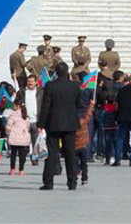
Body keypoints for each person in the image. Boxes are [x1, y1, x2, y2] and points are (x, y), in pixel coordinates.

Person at [38, 62, 81, 190]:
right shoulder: (75, 86)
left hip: (53, 123)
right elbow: (78, 104)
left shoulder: (50, 85)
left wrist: (41, 123)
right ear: (67, 71)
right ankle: (72, 182)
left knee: (52, 153)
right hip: (70, 123)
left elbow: (46, 106)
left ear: (56, 72)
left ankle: (48, 182)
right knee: (70, 153)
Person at [18, 75, 43, 165]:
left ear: (36, 82)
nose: (30, 83)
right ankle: (23, 158)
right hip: (25, 120)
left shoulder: (40, 92)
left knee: (35, 142)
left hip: (36, 120)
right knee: (24, 142)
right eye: (29, 81)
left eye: (32, 81)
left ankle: (35, 158)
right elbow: (17, 104)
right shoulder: (22, 92)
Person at [7, 95, 31, 176]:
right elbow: (28, 126)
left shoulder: (13, 114)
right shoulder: (25, 115)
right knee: (22, 155)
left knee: (13, 154)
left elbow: (8, 126)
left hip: (14, 136)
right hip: (23, 137)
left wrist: (8, 133)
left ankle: (12, 169)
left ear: (17, 105)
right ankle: (21, 170)